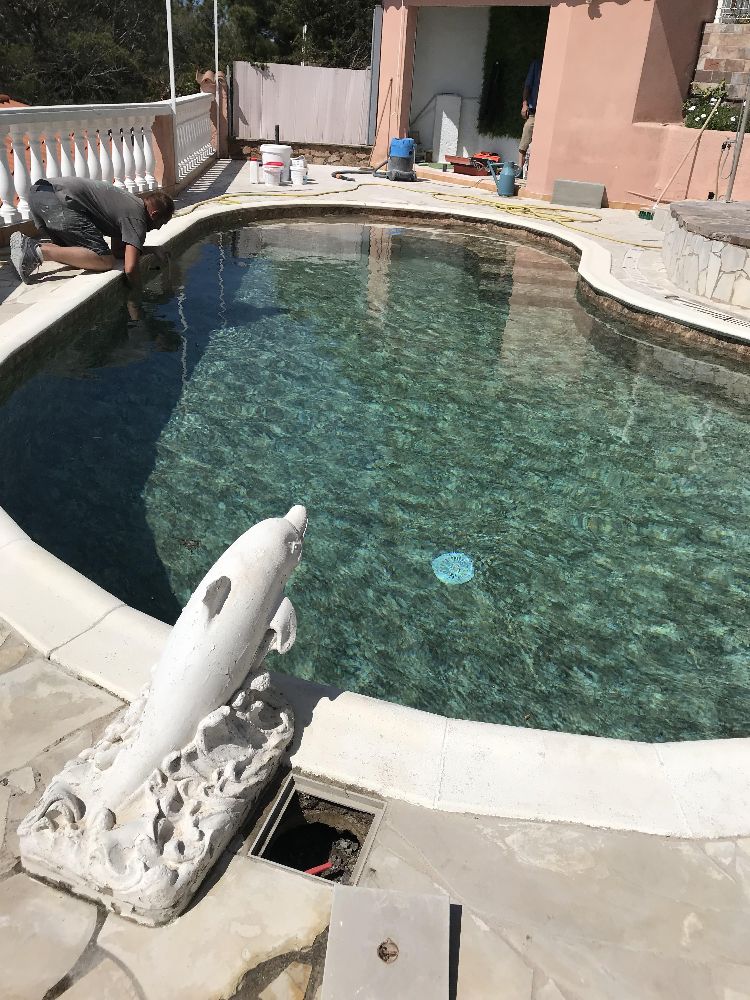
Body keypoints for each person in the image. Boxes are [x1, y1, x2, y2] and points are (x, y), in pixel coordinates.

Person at [9, 177, 175, 302]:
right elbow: (130, 269)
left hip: (39, 194)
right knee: (105, 261)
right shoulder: (137, 218)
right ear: (154, 214)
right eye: (162, 223)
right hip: (60, 201)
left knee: (77, 255)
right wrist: (139, 295)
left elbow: (119, 252)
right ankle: (35, 250)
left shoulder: (130, 204)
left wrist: (152, 249)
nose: (159, 228)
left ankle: (28, 247)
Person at [519, 57, 542, 175]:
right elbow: (527, 85)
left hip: (547, 114)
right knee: (525, 139)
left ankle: (536, 173)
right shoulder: (536, 64)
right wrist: (525, 105)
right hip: (534, 112)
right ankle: (519, 170)